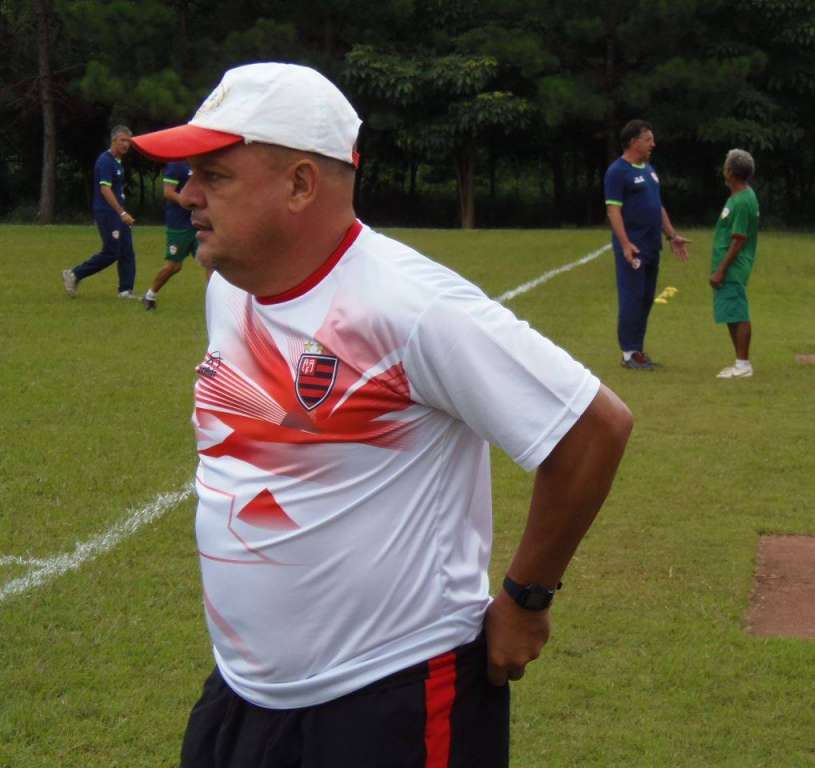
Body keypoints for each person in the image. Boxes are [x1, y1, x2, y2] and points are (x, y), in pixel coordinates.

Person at [131, 62, 633, 768]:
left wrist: (526, 598)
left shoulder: (409, 307)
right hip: (246, 693)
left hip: (391, 698)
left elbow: (592, 428)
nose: (187, 196)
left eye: (214, 176)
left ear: (301, 184)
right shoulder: (231, 291)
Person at [604, 119, 689, 370]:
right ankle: (629, 353)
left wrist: (672, 235)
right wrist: (625, 243)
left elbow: (657, 205)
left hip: (653, 246)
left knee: (645, 298)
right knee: (632, 297)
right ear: (633, 141)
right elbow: (613, 211)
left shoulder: (649, 169)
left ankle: (638, 350)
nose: (653, 144)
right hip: (634, 248)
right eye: (648, 139)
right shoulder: (617, 171)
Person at [62, 126, 139, 299]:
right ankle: (74, 274)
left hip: (118, 212)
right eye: (122, 140)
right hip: (108, 213)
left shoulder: (118, 161)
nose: (126, 144)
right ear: (113, 141)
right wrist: (121, 213)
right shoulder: (105, 161)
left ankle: (125, 291)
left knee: (127, 250)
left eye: (129, 141)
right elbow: (105, 189)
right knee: (112, 252)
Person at [707, 149, 759, 379]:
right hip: (728, 266)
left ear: (731, 172)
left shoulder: (743, 201)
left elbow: (738, 240)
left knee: (738, 312)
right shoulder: (738, 197)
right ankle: (739, 361)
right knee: (731, 312)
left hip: (733, 267)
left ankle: (743, 364)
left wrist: (721, 270)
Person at [142, 160, 206, 310]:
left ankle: (216, 302)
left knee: (211, 263)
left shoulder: (198, 163)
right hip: (179, 224)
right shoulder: (176, 164)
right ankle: (150, 295)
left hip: (198, 222)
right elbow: (168, 192)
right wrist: (185, 201)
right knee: (174, 266)